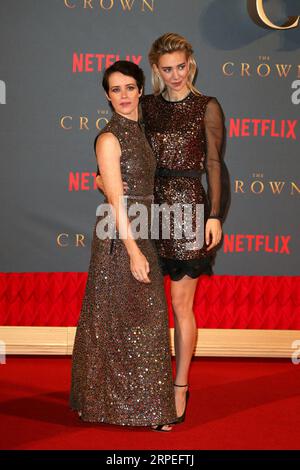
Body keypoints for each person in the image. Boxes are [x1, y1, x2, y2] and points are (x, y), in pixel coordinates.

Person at [96, 33, 226, 427]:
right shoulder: (145, 105)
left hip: (188, 212)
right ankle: (142, 386)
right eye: (166, 69)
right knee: (147, 310)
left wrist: (214, 215)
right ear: (155, 70)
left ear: (192, 64)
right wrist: (104, 181)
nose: (175, 75)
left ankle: (180, 385)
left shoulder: (207, 106)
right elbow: (120, 149)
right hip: (147, 215)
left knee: (181, 305)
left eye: (181, 66)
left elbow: (216, 165)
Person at [70, 60, 177, 431]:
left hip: (141, 227)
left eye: (130, 87)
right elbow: (116, 199)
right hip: (120, 235)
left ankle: (137, 407)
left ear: (140, 90)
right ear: (107, 95)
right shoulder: (109, 138)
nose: (124, 96)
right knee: (122, 318)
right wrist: (133, 250)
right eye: (116, 89)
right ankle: (126, 407)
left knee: (136, 320)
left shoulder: (142, 131)